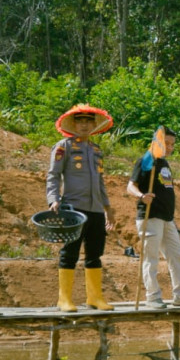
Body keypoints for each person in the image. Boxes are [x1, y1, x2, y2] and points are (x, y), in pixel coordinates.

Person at [46, 104, 116, 312]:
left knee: (95, 253)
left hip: (95, 209)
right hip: (73, 208)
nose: (84, 125)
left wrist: (108, 207)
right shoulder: (63, 147)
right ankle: (64, 299)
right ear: (73, 124)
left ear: (94, 125)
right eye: (80, 121)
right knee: (70, 252)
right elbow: (53, 175)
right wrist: (53, 199)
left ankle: (95, 298)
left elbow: (100, 181)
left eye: (88, 121)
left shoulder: (96, 150)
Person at [127, 127, 180, 308]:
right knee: (151, 258)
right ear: (156, 142)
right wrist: (141, 196)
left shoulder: (164, 164)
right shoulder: (146, 161)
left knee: (177, 255)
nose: (169, 147)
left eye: (172, 144)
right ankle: (152, 297)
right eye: (166, 143)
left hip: (167, 219)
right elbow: (130, 186)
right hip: (150, 216)